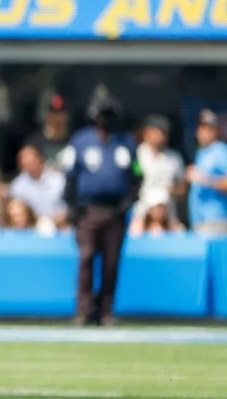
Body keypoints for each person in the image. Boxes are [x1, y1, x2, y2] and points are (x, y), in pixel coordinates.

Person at [61, 98, 139, 327]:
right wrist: (73, 207)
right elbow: (70, 175)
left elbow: (137, 173)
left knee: (111, 263)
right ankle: (83, 310)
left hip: (115, 211)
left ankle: (105, 310)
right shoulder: (81, 141)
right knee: (85, 259)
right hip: (88, 210)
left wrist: (128, 201)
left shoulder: (127, 143)